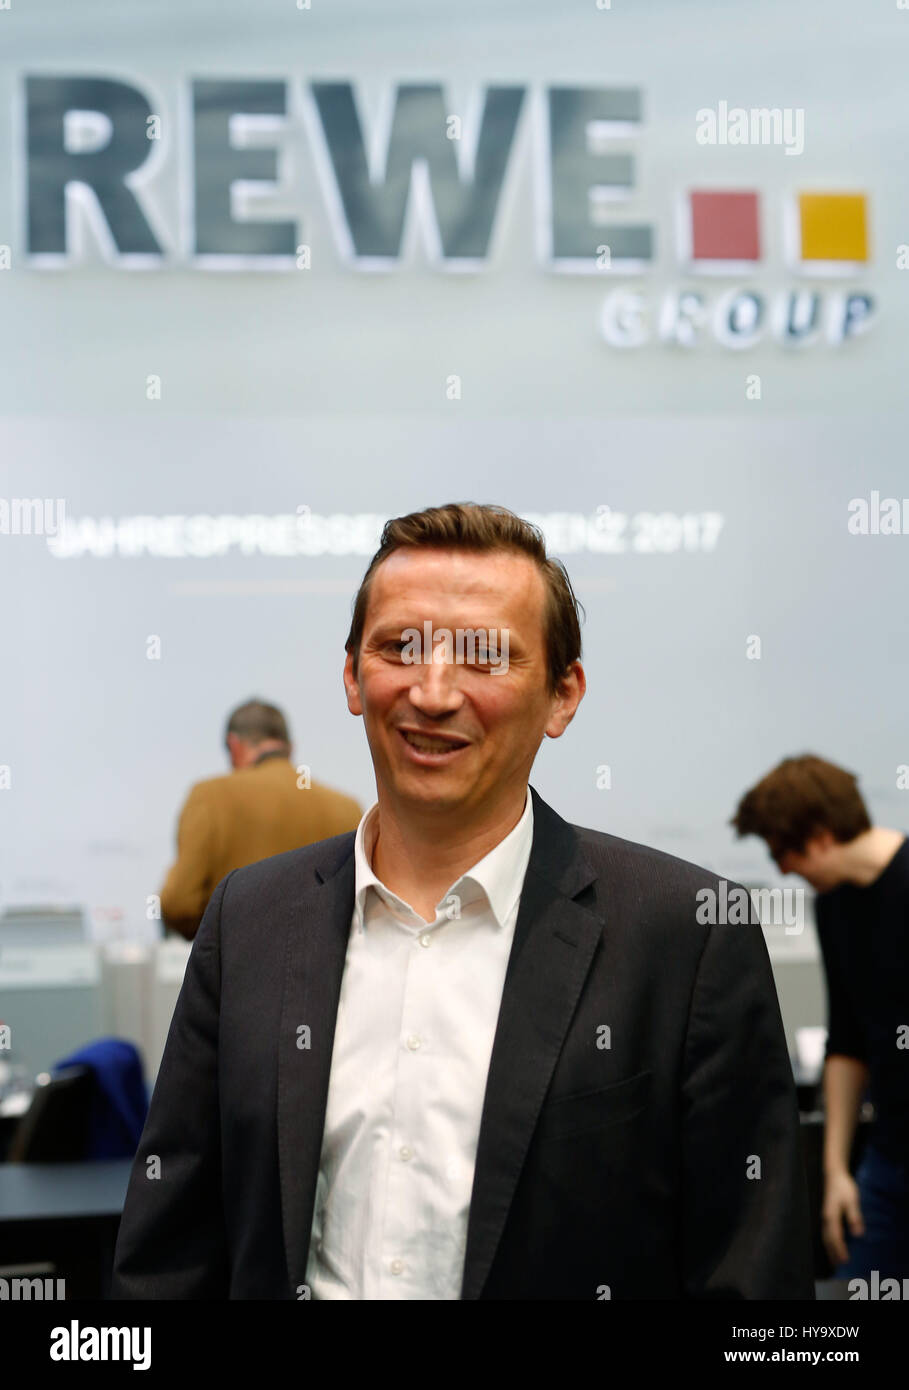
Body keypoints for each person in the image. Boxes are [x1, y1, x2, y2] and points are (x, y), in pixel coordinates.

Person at [112, 503, 813, 1300]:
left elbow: (751, 1283)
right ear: (351, 675)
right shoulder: (250, 920)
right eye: (399, 647)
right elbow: (168, 1260)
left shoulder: (682, 936)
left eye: (485, 657)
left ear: (561, 695)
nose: (433, 692)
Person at [732, 754, 909, 1281]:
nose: (782, 870)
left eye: (781, 851)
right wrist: (835, 1173)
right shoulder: (835, 907)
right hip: (888, 1160)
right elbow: (847, 1043)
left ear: (819, 835)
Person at [158, 698, 362, 939]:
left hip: (242, 970)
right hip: (330, 972)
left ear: (234, 746)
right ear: (290, 747)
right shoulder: (348, 808)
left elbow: (179, 903)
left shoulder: (210, 796)